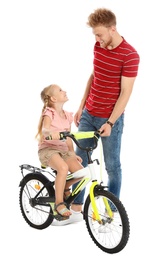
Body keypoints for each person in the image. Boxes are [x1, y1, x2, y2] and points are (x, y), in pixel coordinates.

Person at [54, 8, 140, 225]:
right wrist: (82, 105)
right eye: (94, 35)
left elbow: (125, 93)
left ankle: (110, 212)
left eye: (99, 34)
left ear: (113, 28)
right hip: (89, 115)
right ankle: (76, 207)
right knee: (79, 162)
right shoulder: (98, 46)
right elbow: (95, 75)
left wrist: (111, 122)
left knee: (112, 166)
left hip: (110, 120)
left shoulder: (130, 55)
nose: (97, 39)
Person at [35, 84, 84, 219]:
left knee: (82, 173)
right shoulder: (49, 113)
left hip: (63, 150)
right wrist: (50, 133)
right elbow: (45, 129)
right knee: (63, 168)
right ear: (53, 98)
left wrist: (72, 154)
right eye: (60, 90)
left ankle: (65, 188)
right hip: (48, 149)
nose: (65, 91)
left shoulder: (67, 116)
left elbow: (68, 138)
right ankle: (59, 203)